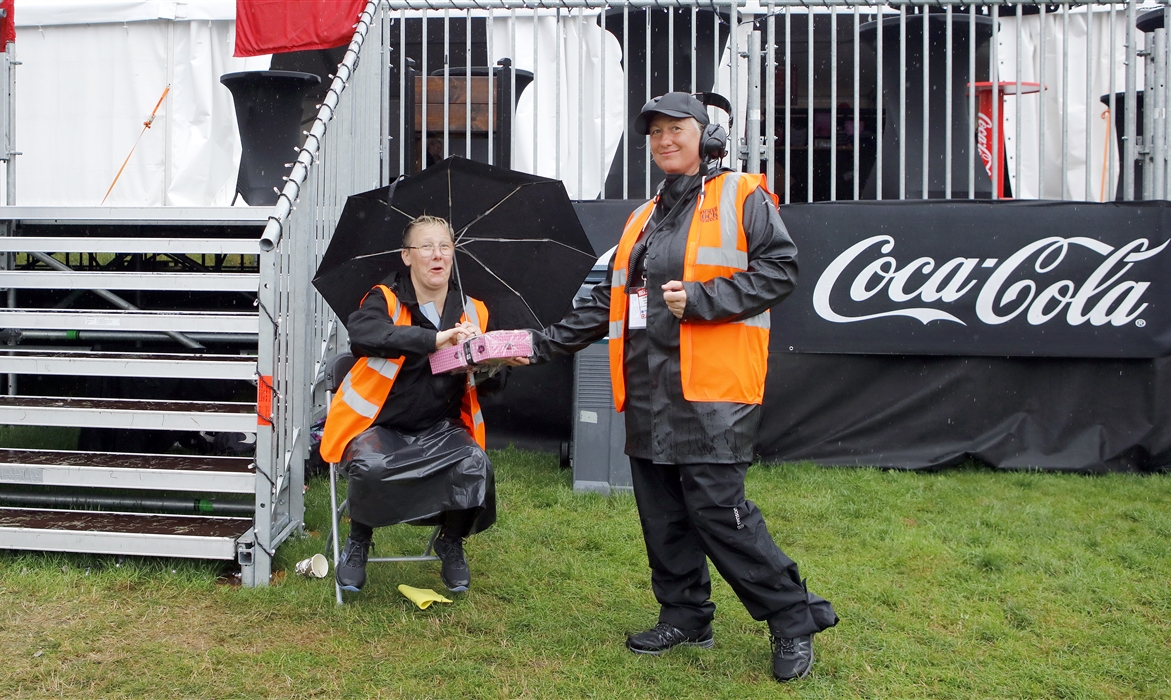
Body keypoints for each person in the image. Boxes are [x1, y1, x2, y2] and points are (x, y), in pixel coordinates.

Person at [530, 92, 837, 682]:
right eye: (655, 133)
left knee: (720, 512)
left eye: (677, 129)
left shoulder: (742, 194)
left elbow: (780, 269)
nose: (664, 140)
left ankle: (792, 617)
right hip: (648, 387)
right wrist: (539, 345)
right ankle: (686, 614)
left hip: (715, 391)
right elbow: (607, 302)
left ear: (707, 136)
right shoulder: (641, 218)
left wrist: (702, 300)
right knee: (663, 515)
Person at [319, 214, 525, 594]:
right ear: (406, 256)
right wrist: (435, 340)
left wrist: (490, 362)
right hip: (377, 426)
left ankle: (451, 540)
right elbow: (363, 335)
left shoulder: (473, 311)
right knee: (370, 467)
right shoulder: (385, 298)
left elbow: (491, 389)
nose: (437, 255)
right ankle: (360, 539)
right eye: (426, 246)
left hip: (439, 427)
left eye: (445, 246)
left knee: (475, 466)